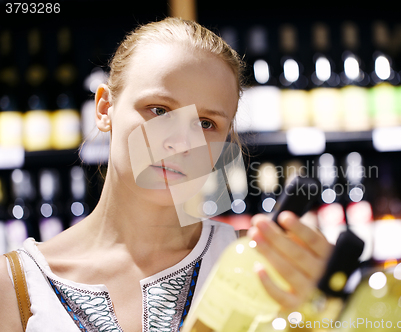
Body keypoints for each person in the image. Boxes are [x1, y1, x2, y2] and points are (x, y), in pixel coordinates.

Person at [0, 17, 331, 332]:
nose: (181, 142)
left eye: (206, 123)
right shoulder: (15, 285)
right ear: (104, 109)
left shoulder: (263, 269)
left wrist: (325, 314)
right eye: (159, 110)